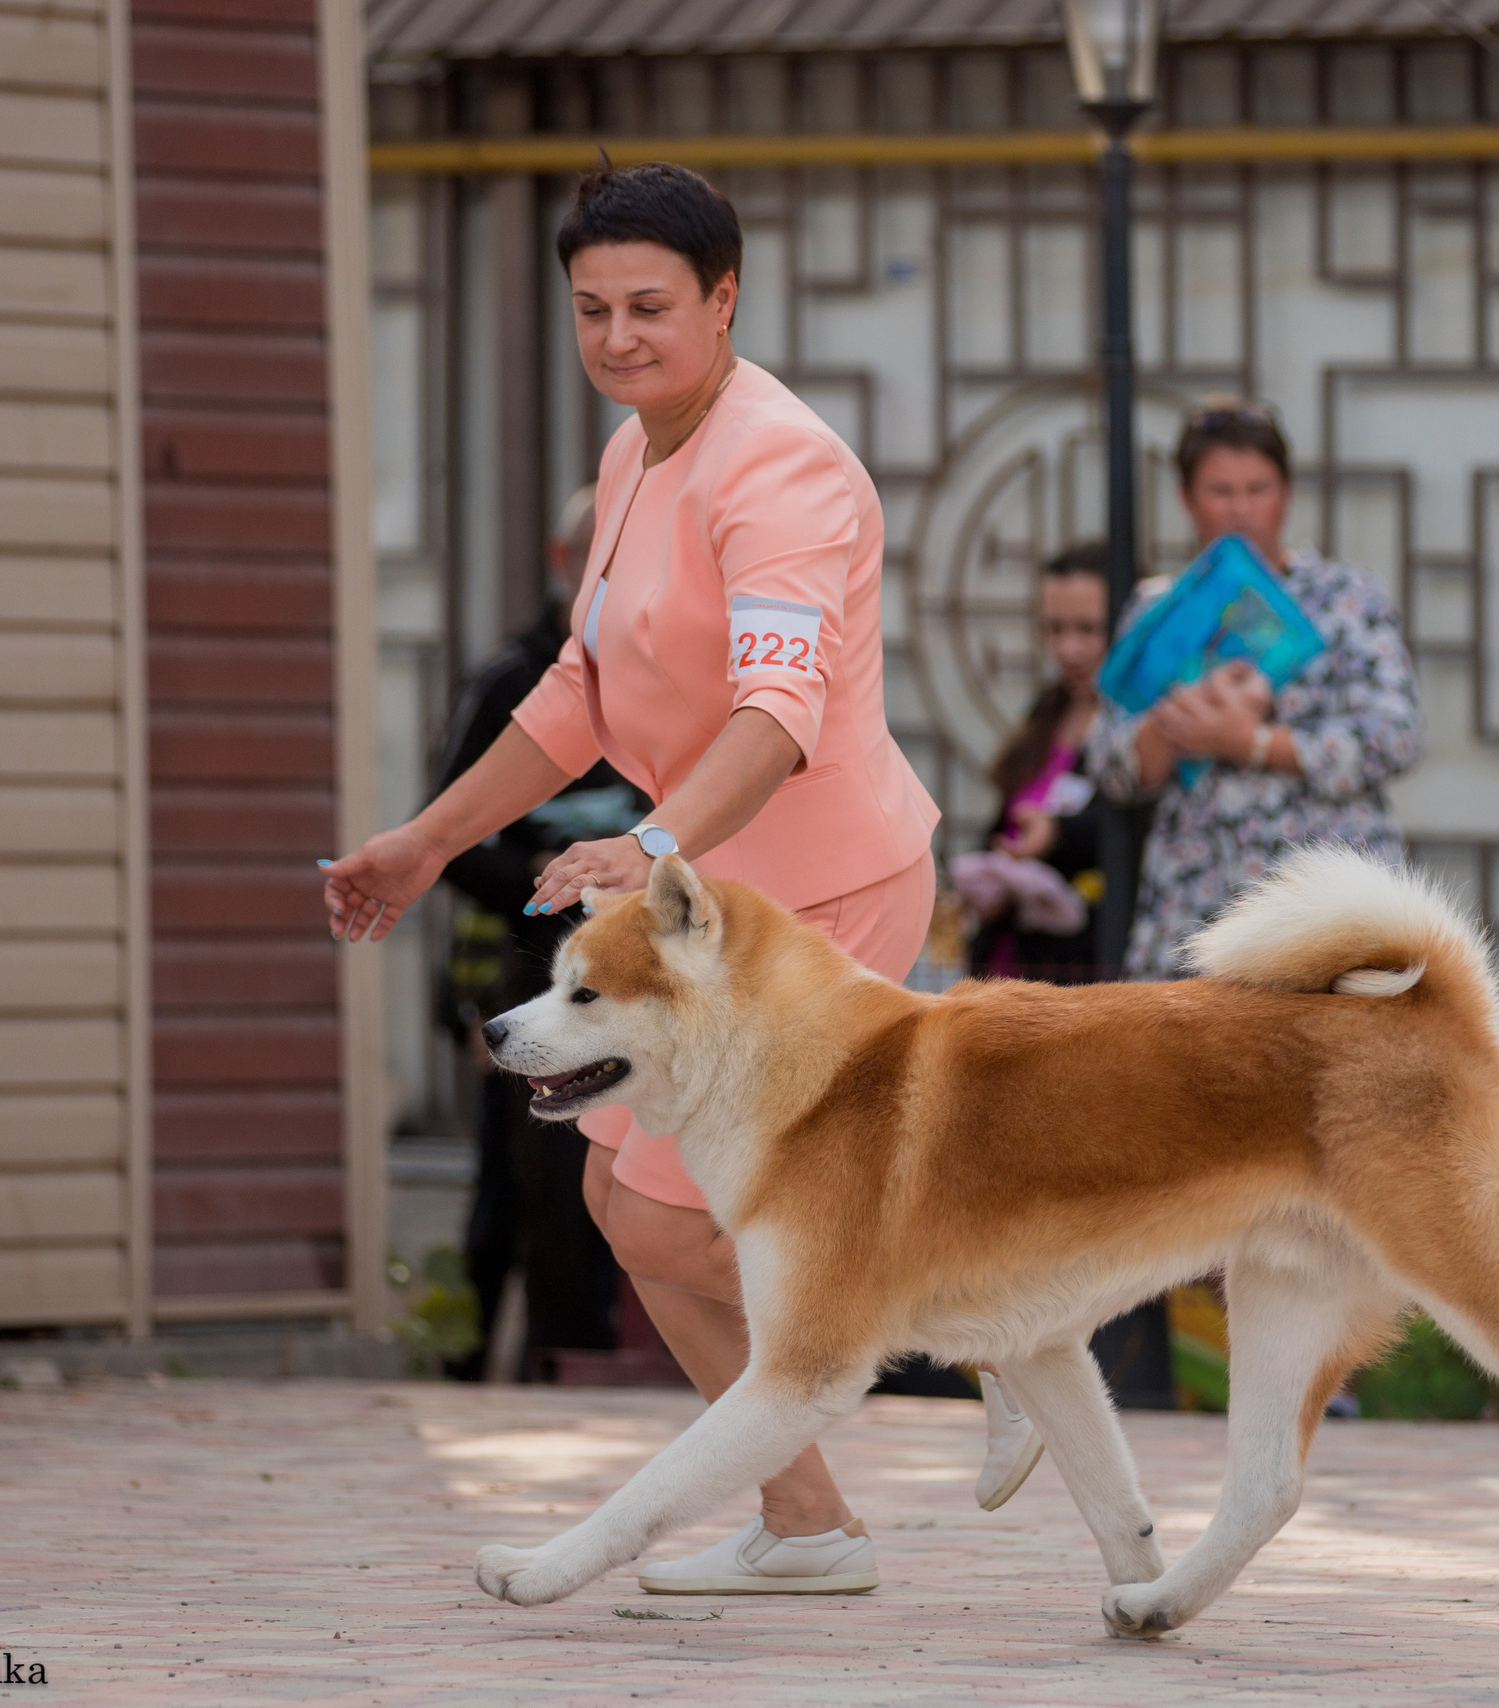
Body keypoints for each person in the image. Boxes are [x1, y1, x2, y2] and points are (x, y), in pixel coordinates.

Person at [322, 162, 997, 1589]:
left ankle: (997, 1332)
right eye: (591, 310)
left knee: (687, 1218)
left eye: (649, 307)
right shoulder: (635, 453)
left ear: (725, 298)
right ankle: (813, 1522)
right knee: (632, 1214)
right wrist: (426, 838)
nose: (618, 337)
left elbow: (778, 714)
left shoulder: (784, 467)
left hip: (815, 899)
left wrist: (651, 844)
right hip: (705, 902)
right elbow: (576, 687)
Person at [1085, 401, 1422, 982]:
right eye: (1220, 490)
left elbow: (1394, 736)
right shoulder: (1156, 609)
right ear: (1186, 499)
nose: (1240, 509)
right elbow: (1109, 764)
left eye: (1257, 488)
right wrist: (1175, 728)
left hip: (1332, 903)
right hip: (1199, 908)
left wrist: (1250, 741)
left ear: (1286, 494)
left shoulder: (1347, 597)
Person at [432, 484, 635, 1382]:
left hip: (631, 988)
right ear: (564, 563)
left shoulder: (658, 676)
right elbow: (448, 840)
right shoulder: (510, 681)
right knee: (518, 1191)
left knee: (612, 1178)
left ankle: (586, 1363)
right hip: (520, 983)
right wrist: (553, 881)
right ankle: (480, 1366)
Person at [958, 542, 1117, 984]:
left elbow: (1124, 830)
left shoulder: (1139, 729)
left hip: (1083, 980)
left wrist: (1056, 836)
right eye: (1054, 629)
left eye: (1089, 629)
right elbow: (1007, 816)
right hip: (1006, 965)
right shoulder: (1047, 710)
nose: (1069, 648)